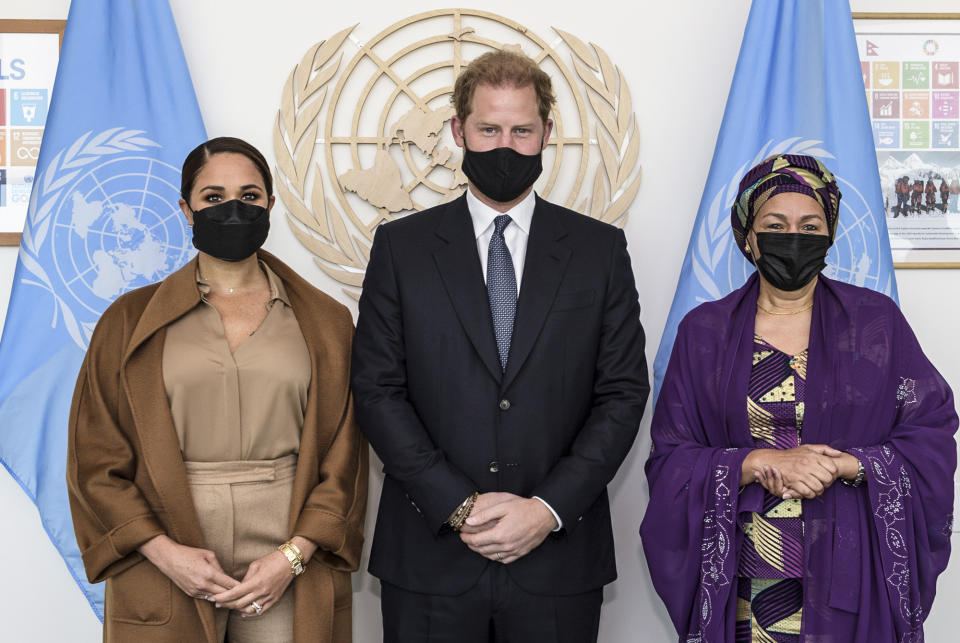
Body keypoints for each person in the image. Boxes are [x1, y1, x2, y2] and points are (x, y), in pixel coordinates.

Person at [351, 50, 649, 642]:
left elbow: (622, 393)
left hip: (557, 557)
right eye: (488, 129)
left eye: (522, 130)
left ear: (547, 135)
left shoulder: (599, 251)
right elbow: (378, 390)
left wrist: (545, 509)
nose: (505, 146)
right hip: (431, 556)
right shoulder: (400, 248)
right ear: (459, 131)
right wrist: (459, 506)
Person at [641, 154, 957, 642]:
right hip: (748, 584)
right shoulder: (705, 332)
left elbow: (930, 429)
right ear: (749, 236)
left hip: (854, 577)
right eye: (776, 224)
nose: (795, 237)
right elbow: (671, 460)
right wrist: (757, 461)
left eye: (811, 225)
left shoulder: (876, 324)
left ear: (829, 236)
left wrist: (847, 465)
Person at [67, 137, 368, 643]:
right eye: (213, 197)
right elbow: (95, 460)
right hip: (166, 538)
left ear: (271, 206)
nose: (233, 208)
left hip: (286, 545)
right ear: (186, 209)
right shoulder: (126, 321)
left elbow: (345, 455)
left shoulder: (327, 321)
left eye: (249, 197)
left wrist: (293, 555)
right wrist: (164, 552)